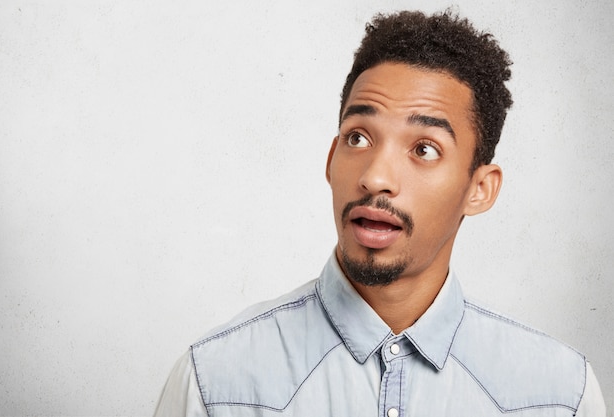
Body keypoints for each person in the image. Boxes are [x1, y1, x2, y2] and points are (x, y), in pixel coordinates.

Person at [153, 10, 606, 417]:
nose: (375, 176)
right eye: (358, 138)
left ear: (480, 189)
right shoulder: (216, 383)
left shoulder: (559, 395)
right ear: (331, 159)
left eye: (424, 149)